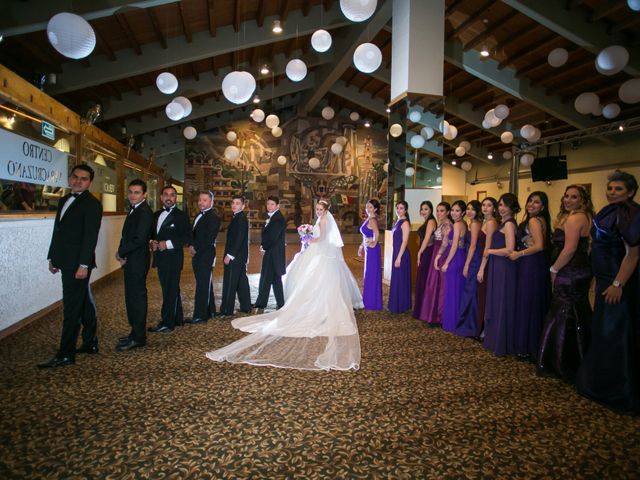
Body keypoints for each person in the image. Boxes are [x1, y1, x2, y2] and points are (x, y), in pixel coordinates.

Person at [206, 199, 364, 371]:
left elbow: (323, 239)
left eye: (320, 209)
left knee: (318, 282)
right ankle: (300, 305)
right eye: (317, 209)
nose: (318, 211)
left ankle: (322, 309)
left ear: (326, 210)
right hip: (315, 253)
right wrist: (307, 235)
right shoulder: (319, 219)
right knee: (302, 281)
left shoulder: (325, 220)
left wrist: (308, 238)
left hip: (321, 255)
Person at [577, 171, 640, 415]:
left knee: (616, 332)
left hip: (617, 281)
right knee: (604, 331)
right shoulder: (608, 211)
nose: (612, 192)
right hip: (605, 279)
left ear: (631, 192)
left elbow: (632, 254)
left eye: (618, 189)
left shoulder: (631, 214)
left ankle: (619, 389)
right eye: (610, 188)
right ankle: (602, 382)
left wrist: (618, 283)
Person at [38, 165, 102, 368]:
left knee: (71, 309)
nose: (78, 181)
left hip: (78, 265)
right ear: (69, 178)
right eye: (75, 177)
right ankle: (90, 342)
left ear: (89, 182)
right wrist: (53, 257)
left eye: (83, 179)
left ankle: (66, 354)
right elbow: (59, 232)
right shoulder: (65, 200)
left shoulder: (92, 204)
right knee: (82, 303)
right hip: (64, 260)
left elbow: (90, 238)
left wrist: (83, 265)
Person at [537, 185, 593, 383]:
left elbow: (569, 250)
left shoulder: (575, 218)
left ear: (582, 200)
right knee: (576, 312)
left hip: (570, 270)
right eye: (566, 196)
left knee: (563, 313)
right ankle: (577, 357)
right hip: (580, 269)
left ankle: (562, 361)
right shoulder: (584, 217)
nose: (568, 200)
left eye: (574, 197)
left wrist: (554, 270)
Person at [509, 191, 551, 361]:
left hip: (531, 263)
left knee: (528, 303)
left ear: (542, 206)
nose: (531, 204)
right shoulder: (539, 220)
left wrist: (519, 254)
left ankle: (527, 346)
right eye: (530, 201)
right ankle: (531, 344)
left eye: (536, 202)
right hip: (534, 263)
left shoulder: (534, 220)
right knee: (532, 302)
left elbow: (539, 246)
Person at [115, 179, 154, 351]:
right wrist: (122, 252)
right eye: (130, 191)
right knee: (131, 297)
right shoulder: (135, 209)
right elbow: (127, 236)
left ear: (144, 194)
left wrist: (121, 253)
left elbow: (139, 240)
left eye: (137, 192)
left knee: (137, 298)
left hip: (138, 260)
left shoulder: (144, 212)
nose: (132, 195)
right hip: (132, 259)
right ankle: (134, 332)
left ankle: (139, 337)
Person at [148, 185, 191, 333]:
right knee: (171, 289)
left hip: (173, 259)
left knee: (169, 291)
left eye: (172, 195)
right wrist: (151, 242)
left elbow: (186, 237)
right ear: (161, 197)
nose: (168, 197)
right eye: (166, 194)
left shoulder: (181, 216)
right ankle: (177, 318)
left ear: (176, 198)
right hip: (160, 259)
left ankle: (167, 323)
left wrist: (167, 244)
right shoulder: (155, 215)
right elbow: (152, 235)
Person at [483, 193, 519, 356]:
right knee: (495, 302)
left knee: (501, 302)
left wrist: (490, 251)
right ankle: (494, 338)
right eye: (500, 204)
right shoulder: (502, 223)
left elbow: (510, 249)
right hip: (497, 265)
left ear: (512, 208)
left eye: (504, 205)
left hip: (504, 267)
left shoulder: (509, 225)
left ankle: (501, 342)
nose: (501, 208)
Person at [187, 191, 221, 324]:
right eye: (200, 200)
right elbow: (193, 233)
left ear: (211, 202)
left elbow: (209, 238)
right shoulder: (199, 215)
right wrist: (190, 244)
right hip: (198, 253)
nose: (201, 202)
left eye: (205, 200)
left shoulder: (213, 217)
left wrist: (195, 248)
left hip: (206, 254)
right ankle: (210, 310)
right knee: (205, 283)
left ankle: (200, 315)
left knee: (202, 285)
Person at [418, 202, 452, 325]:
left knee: (438, 284)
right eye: (437, 210)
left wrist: (438, 257)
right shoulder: (441, 223)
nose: (439, 213)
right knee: (433, 283)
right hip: (435, 252)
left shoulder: (447, 224)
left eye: (442, 211)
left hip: (441, 254)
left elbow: (444, 243)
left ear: (448, 212)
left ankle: (438, 316)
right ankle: (431, 313)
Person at [253, 196, 286, 314]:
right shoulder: (273, 217)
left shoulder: (278, 219)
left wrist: (263, 246)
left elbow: (272, 237)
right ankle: (280, 303)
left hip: (273, 254)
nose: (269, 206)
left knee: (267, 278)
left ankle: (262, 303)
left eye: (272, 204)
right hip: (273, 253)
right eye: (268, 204)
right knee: (275, 279)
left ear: (277, 206)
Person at [220, 195, 251, 317]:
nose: (234, 205)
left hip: (235, 257)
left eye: (237, 203)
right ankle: (246, 306)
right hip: (240, 256)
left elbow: (239, 239)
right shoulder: (237, 217)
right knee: (241, 282)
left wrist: (230, 255)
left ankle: (226, 310)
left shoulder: (241, 218)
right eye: (233, 203)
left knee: (230, 283)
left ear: (243, 206)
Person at [455, 200, 482, 337]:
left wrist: (466, 264)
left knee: (470, 291)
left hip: (473, 260)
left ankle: (470, 326)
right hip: (470, 258)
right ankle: (467, 324)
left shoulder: (475, 224)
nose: (470, 212)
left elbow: (473, 245)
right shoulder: (470, 224)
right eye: (468, 209)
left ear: (477, 211)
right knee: (469, 291)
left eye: (473, 209)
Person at [440, 200, 467, 333]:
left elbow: (454, 245)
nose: (454, 213)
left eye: (458, 211)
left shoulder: (457, 225)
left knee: (453, 291)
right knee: (455, 290)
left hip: (455, 258)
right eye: (453, 210)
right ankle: (454, 321)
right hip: (459, 257)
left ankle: (452, 323)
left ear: (463, 212)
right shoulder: (462, 224)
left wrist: (446, 262)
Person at [476, 197, 499, 337]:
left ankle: (485, 330)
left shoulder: (491, 223)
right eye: (483, 205)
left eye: (489, 205)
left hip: (486, 262)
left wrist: (481, 268)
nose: (485, 208)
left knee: (484, 295)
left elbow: (488, 247)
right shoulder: (485, 221)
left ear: (494, 208)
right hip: (480, 260)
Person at [413, 201, 437, 320]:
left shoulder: (431, 221)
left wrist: (419, 252)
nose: (423, 211)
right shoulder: (428, 221)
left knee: (423, 279)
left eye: (426, 209)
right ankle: (421, 309)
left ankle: (422, 310)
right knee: (422, 279)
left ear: (431, 210)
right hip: (425, 251)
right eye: (422, 209)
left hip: (427, 252)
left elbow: (427, 239)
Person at [358, 199, 382, 310]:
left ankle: (371, 302)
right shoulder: (368, 218)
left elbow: (377, 233)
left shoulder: (372, 219)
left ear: (375, 209)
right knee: (369, 274)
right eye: (367, 206)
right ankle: (370, 300)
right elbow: (366, 235)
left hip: (373, 250)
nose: (368, 209)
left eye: (371, 207)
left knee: (371, 274)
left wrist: (374, 243)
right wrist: (361, 246)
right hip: (369, 249)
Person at [388, 200, 411, 313]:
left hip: (401, 254)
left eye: (401, 208)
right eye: (397, 208)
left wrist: (399, 257)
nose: (399, 210)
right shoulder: (398, 221)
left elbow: (405, 241)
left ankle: (401, 305)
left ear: (405, 210)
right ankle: (397, 303)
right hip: (396, 253)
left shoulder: (405, 222)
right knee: (397, 279)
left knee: (400, 279)